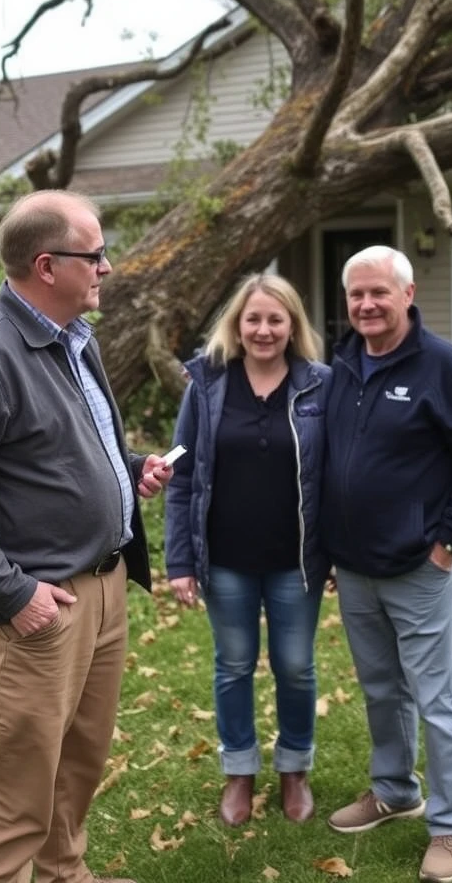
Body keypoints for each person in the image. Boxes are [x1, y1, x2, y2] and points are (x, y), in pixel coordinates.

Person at [0, 189, 173, 883]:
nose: (108, 267)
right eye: (96, 255)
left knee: (77, 765)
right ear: (48, 266)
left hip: (103, 589)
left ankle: (64, 874)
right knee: (14, 795)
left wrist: (128, 469)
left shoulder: (73, 341)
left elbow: (58, 449)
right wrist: (14, 593)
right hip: (37, 611)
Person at [322, 245, 452, 883]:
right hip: (354, 568)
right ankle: (395, 790)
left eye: (378, 293)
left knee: (439, 699)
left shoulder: (443, 367)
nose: (366, 305)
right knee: (380, 690)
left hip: (422, 568)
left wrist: (447, 542)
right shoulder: (341, 364)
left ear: (408, 293)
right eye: (356, 295)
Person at [164, 273, 331, 827]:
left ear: (292, 326)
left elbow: (335, 475)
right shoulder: (206, 386)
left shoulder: (318, 386)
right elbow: (181, 474)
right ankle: (239, 771)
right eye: (253, 319)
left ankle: (293, 770)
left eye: (275, 319)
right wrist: (179, 560)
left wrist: (338, 551)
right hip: (225, 559)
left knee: (296, 667)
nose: (263, 330)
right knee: (234, 665)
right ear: (238, 324)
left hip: (295, 561)